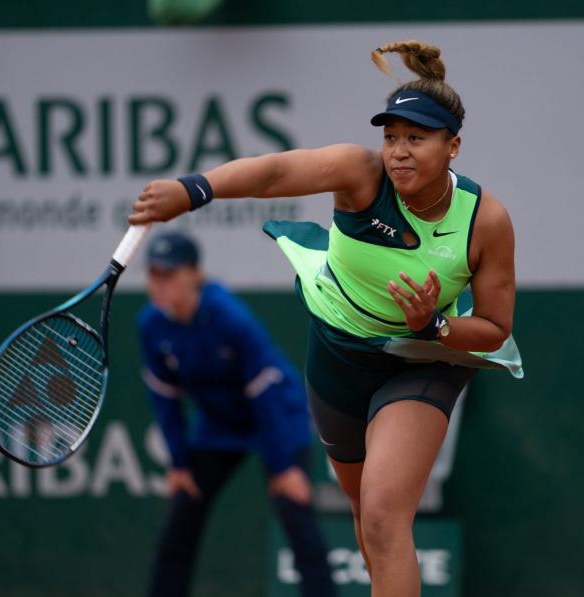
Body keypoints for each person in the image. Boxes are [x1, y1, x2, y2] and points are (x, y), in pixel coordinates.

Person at [130, 40, 523, 597]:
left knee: (386, 517)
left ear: (453, 146)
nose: (399, 151)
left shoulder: (486, 221)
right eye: (390, 137)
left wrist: (432, 327)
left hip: (423, 357)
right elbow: (273, 173)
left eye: (416, 138)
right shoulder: (358, 173)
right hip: (338, 352)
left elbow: (494, 328)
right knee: (367, 520)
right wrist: (193, 190)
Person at [137, 230, 337, 597]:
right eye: (154, 274)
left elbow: (265, 396)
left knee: (294, 511)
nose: (160, 284)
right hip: (219, 427)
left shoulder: (229, 317)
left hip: (277, 420)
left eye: (169, 274)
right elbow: (165, 399)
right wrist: (179, 464)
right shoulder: (150, 326)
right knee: (182, 516)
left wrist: (283, 466)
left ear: (193, 274)